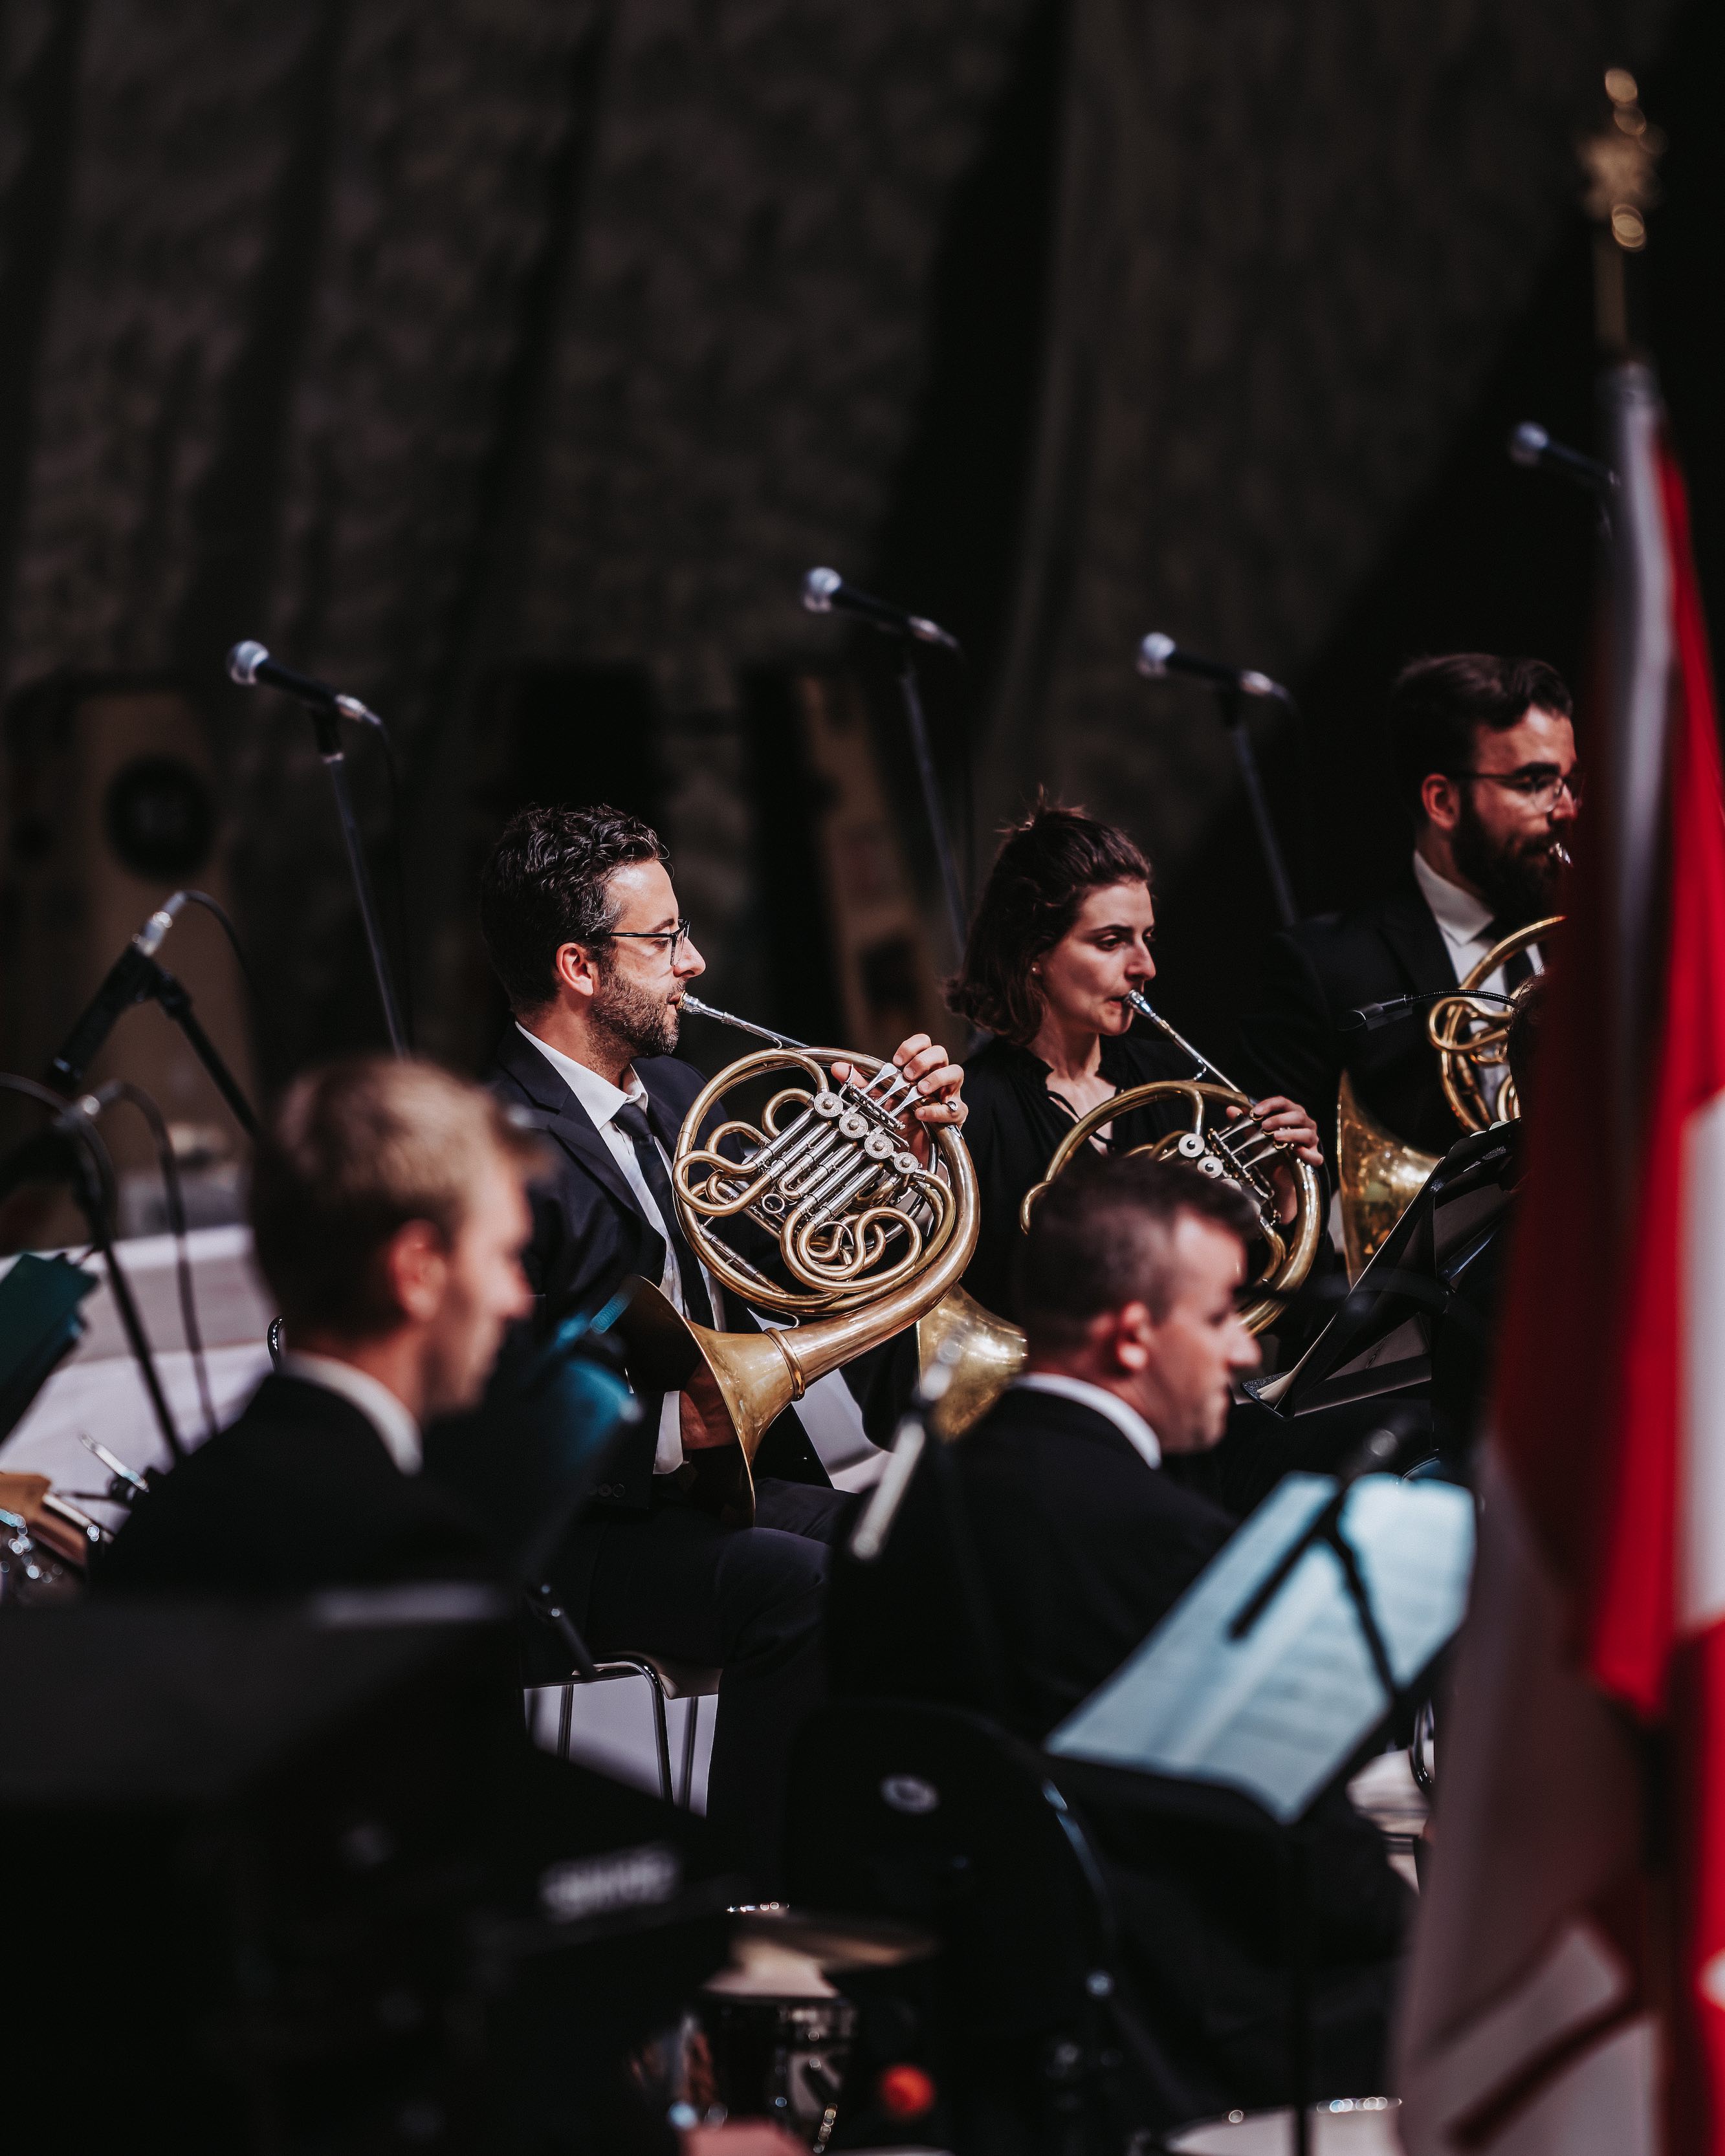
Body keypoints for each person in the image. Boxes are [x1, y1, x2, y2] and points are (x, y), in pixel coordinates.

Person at [826, 1152, 1410, 2115]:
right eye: (1220, 1317)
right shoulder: (1169, 1544)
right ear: (1134, 1335)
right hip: (1160, 2039)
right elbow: (1309, 1870)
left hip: (960, 2032)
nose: (1245, 1353)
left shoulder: (880, 1528)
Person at [479, 801, 965, 1891]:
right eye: (663, 939)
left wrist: (896, 1164)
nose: (693, 962)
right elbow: (495, 1413)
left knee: (941, 1546)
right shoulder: (494, 1147)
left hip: (720, 1492)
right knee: (797, 1587)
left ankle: (897, 1864)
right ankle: (746, 1898)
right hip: (588, 1536)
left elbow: (799, 1278)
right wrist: (672, 1429)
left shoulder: (681, 1097)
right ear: (579, 968)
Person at [95, 1058, 540, 1596]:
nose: (517, 1300)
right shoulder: (415, 1552)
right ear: (417, 1270)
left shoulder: (156, 1524)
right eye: (503, 1256)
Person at [946, 800, 1323, 1321]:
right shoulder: (973, 1112)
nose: (1145, 966)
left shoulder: (1174, 1080)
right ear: (1034, 951)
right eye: (1111, 942)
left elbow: (1271, 1296)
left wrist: (1283, 1194)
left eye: (1146, 938)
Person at [1240, 653, 1577, 1172]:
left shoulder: (1594, 940)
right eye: (1534, 783)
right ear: (1443, 801)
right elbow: (1267, 1180)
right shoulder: (1322, 967)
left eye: (1570, 781)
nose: (1567, 808)